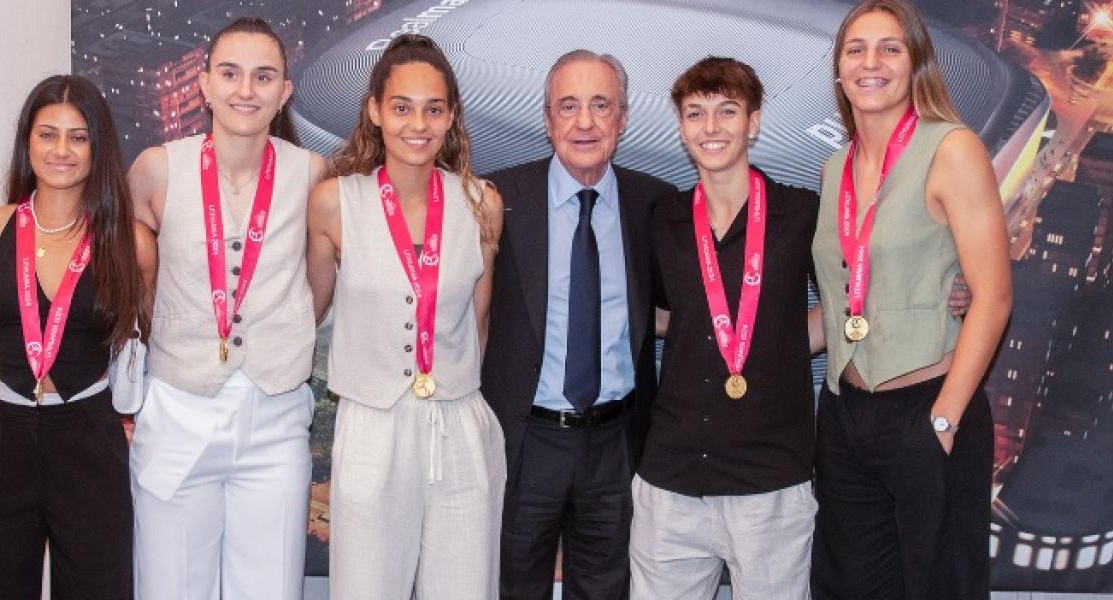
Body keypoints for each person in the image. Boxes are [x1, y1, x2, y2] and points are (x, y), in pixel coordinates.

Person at [0, 74, 154, 599]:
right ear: (28, 141)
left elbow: (142, 350)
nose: (61, 150)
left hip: (90, 441)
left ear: (98, 147)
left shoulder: (131, 244)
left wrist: (135, 420)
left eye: (77, 136)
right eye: (48, 134)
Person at [810, 1, 1013, 598]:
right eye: (856, 50)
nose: (871, 63)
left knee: (938, 586)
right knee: (847, 588)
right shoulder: (832, 170)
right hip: (846, 417)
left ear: (916, 63)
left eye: (889, 48)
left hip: (928, 408)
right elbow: (842, 297)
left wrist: (944, 421)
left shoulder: (951, 149)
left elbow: (994, 296)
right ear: (840, 71)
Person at [126, 17, 325, 600]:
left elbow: (318, 286)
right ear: (205, 86)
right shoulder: (157, 167)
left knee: (270, 587)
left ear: (285, 91)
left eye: (263, 77)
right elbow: (123, 275)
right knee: (170, 585)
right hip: (178, 407)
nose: (246, 90)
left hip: (275, 410)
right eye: (230, 74)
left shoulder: (312, 175)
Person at [306, 34, 505, 599]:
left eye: (433, 108)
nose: (417, 124)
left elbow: (480, 321)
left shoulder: (480, 203)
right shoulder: (334, 202)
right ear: (374, 110)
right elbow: (309, 310)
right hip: (371, 424)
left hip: (459, 425)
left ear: (450, 117)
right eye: (401, 107)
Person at [482, 50, 676, 599]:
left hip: (616, 444)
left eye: (600, 105)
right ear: (547, 119)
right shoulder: (497, 198)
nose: (584, 123)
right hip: (525, 439)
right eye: (568, 106)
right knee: (514, 586)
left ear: (623, 117)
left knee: (607, 589)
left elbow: (680, 304)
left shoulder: (652, 203)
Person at [629, 57, 818, 600]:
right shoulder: (663, 219)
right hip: (671, 478)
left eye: (726, 111)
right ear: (682, 125)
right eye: (696, 113)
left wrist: (776, 346)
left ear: (753, 122)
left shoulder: (800, 213)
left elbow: (847, 303)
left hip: (770, 480)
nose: (710, 128)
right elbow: (662, 316)